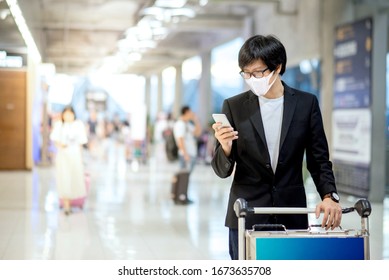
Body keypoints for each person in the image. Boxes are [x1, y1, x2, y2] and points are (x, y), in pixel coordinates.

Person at [211, 35, 342, 260]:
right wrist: (225, 148)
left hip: (290, 212)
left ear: (277, 67)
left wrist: (329, 196)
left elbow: (319, 159)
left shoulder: (305, 103)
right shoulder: (234, 106)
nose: (252, 79)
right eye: (246, 73)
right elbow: (222, 170)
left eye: (258, 72)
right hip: (246, 214)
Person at [50, 106, 88, 215]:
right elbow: (55, 140)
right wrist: (60, 145)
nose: (68, 116)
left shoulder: (78, 125)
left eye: (70, 114)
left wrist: (81, 159)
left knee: (74, 178)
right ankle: (66, 205)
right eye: (66, 114)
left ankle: (71, 203)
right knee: (64, 179)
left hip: (75, 156)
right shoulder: (59, 125)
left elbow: (81, 143)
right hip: (63, 157)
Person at [172, 106, 202, 204]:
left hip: (190, 154)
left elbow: (197, 133)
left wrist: (196, 120)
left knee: (186, 176)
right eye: (191, 112)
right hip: (186, 155)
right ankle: (181, 197)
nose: (192, 113)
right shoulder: (180, 124)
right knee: (183, 176)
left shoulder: (187, 124)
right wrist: (185, 154)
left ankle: (183, 195)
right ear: (186, 112)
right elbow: (180, 140)